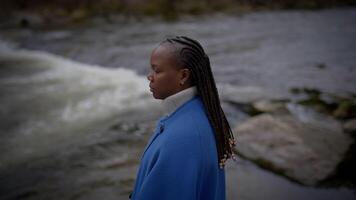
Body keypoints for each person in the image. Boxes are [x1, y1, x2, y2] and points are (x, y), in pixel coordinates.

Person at [129, 36, 236, 200]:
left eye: (157, 71)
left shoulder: (183, 139)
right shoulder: (195, 111)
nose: (149, 76)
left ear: (183, 76)